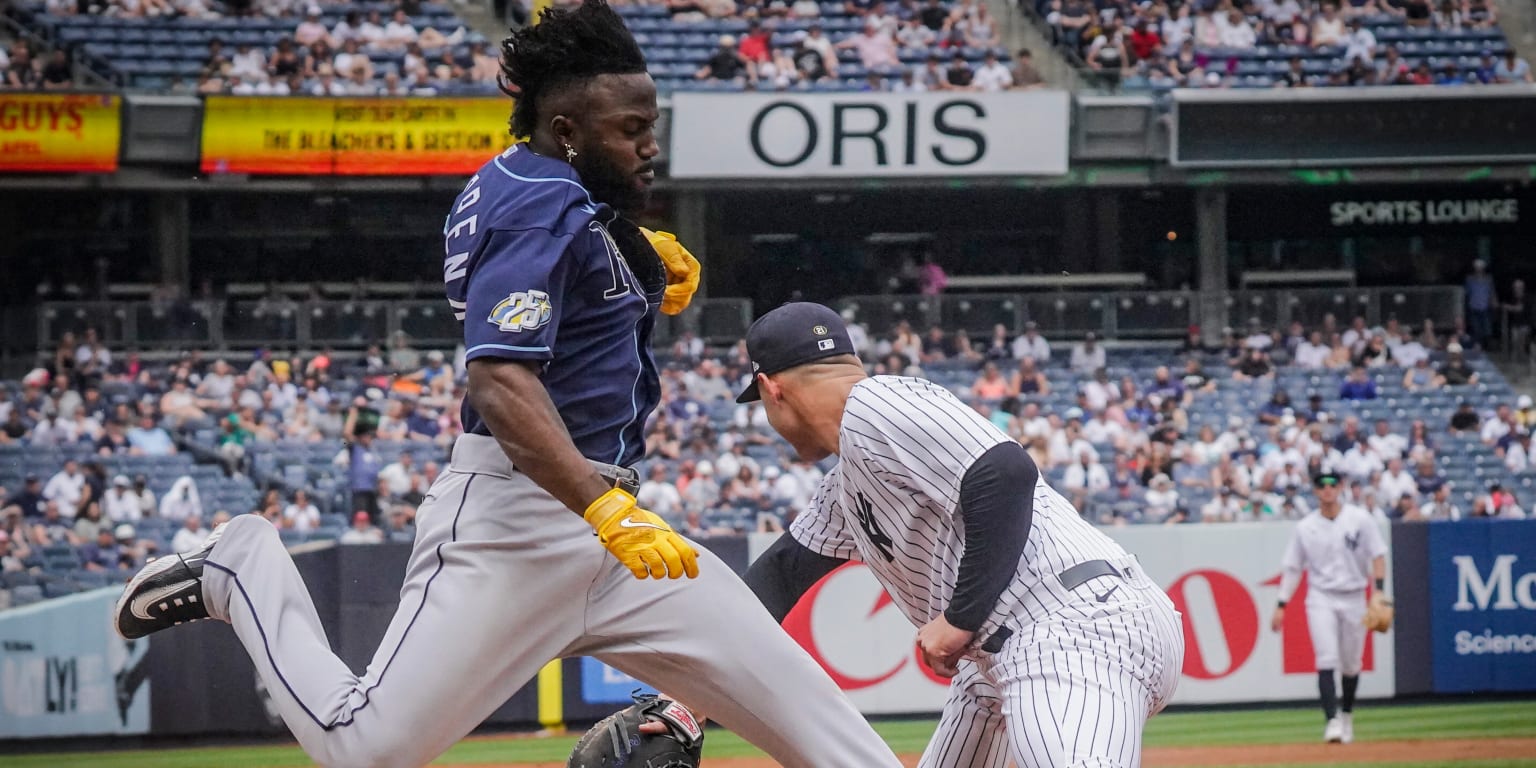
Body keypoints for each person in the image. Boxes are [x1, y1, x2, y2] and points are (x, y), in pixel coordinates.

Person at [113, 6, 901, 768]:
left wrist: (634, 258)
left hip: (613, 531)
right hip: (522, 522)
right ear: (566, 130)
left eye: (649, 125)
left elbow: (565, 263)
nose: (649, 145)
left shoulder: (539, 186)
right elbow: (498, 379)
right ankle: (239, 569)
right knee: (369, 751)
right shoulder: (538, 202)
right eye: (631, 129)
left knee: (826, 733)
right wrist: (601, 506)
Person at [737, 302, 1183, 768]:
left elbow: (1006, 472)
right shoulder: (850, 479)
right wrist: (693, 695)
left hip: (1069, 627)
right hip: (1014, 652)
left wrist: (960, 618)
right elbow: (780, 576)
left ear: (772, 389)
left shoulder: (872, 404)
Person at [1271, 472, 1389, 745]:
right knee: (1325, 658)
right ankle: (1332, 720)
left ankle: (1346, 715)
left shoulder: (1360, 519)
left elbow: (1378, 553)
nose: (1327, 490)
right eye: (1322, 486)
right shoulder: (1305, 526)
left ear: (1341, 488)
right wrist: (1281, 604)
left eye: (1332, 485)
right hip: (1321, 596)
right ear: (1315, 491)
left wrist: (1379, 590)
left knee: (1350, 664)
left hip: (1355, 595)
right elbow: (1292, 568)